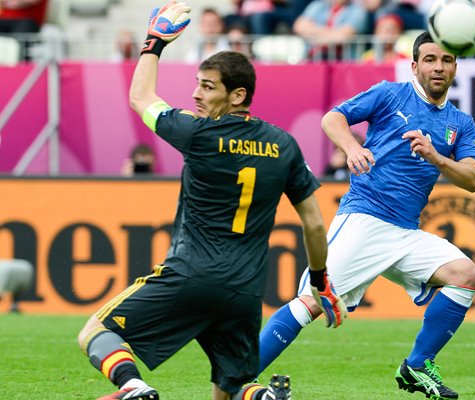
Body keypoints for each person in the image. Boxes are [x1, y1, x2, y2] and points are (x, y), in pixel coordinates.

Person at [76, 2, 346, 400]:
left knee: (96, 333)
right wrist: (320, 280)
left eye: (207, 86)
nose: (195, 94)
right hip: (245, 291)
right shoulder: (284, 146)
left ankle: (133, 388)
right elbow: (315, 223)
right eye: (198, 83)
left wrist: (154, 44)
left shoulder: (198, 134)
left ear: (238, 95)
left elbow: (140, 97)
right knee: (232, 388)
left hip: (190, 276)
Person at [259, 31, 475, 400]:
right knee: (314, 301)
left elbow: (473, 179)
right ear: (415, 66)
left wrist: (437, 158)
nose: (438, 67)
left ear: (456, 66)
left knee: (465, 275)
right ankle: (238, 377)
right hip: (365, 218)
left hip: (405, 233)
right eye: (430, 60)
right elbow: (333, 118)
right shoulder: (390, 94)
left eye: (446, 60)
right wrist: (351, 147)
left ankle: (417, 364)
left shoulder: (461, 123)